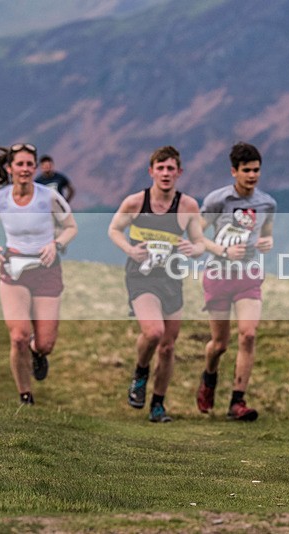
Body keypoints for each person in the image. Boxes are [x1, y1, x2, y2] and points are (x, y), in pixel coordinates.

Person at [108, 146, 205, 422]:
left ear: (179, 173)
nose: (165, 173)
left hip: (171, 278)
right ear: (151, 171)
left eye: (170, 168)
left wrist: (193, 249)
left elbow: (199, 243)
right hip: (141, 276)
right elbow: (114, 229)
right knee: (153, 332)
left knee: (168, 346)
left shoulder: (187, 206)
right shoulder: (136, 202)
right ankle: (140, 372)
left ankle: (158, 405)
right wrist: (130, 249)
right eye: (160, 168)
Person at [195, 142, 276, 422]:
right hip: (218, 274)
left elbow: (266, 234)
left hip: (248, 275)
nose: (252, 175)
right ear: (234, 171)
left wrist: (267, 242)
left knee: (248, 335)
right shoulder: (218, 200)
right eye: (246, 170)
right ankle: (209, 377)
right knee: (219, 344)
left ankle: (237, 401)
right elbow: (196, 234)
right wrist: (223, 250)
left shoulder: (267, 203)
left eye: (256, 170)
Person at [0, 143, 78, 405]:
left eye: (29, 165)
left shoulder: (49, 197)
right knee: (18, 336)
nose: (25, 169)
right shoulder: (1, 198)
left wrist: (56, 244)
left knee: (45, 344)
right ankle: (25, 396)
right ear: (9, 168)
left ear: (35, 168)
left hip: (46, 269)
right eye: (19, 164)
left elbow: (70, 227)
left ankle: (36, 351)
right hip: (14, 269)